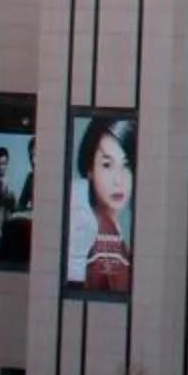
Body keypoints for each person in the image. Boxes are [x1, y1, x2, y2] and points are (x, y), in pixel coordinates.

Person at [72, 113, 136, 294]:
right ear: (90, 168)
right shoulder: (97, 236)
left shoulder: (112, 231)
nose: (118, 180)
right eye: (107, 165)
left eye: (127, 165)